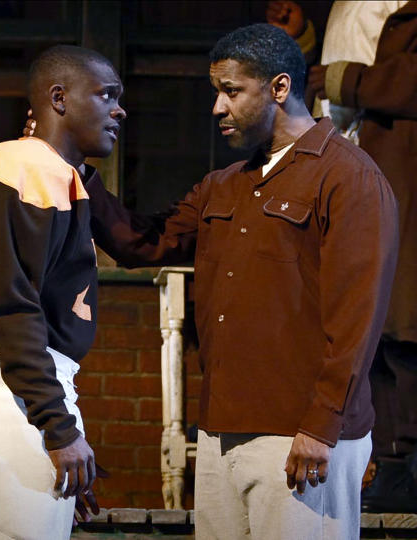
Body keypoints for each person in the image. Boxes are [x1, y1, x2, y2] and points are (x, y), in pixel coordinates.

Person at [29, 24, 396, 538]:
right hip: (222, 430)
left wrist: (322, 424)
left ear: (280, 88)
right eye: (215, 92)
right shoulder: (224, 185)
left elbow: (359, 316)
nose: (217, 108)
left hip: (301, 435)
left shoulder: (347, 177)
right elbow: (144, 243)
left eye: (231, 91)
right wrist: (74, 172)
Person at [0, 45, 122, 539]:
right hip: (6, 393)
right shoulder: (23, 165)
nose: (119, 109)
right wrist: (58, 428)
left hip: (26, 394)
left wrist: (62, 424)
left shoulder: (59, 174)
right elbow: (11, 309)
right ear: (58, 99)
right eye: (107, 95)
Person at [270, 0, 417, 514]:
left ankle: (402, 463)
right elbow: (352, 47)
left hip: (399, 170)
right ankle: (389, 461)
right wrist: (306, 41)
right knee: (364, 324)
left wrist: (341, 79)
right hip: (348, 161)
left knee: (400, 328)